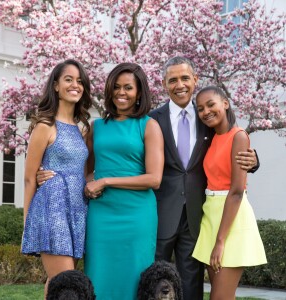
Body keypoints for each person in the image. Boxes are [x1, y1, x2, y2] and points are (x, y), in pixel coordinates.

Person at [148, 56, 259, 300]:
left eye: (185, 78)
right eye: (173, 80)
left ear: (195, 79)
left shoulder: (207, 117)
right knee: (155, 281)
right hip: (162, 212)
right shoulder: (153, 119)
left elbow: (231, 140)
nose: (180, 85)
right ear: (164, 84)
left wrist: (254, 160)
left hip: (198, 216)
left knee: (192, 283)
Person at [83, 62, 164, 299]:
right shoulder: (96, 127)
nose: (121, 92)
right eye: (116, 87)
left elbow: (154, 178)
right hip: (101, 215)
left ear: (139, 92)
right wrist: (89, 185)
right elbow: (86, 172)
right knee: (98, 275)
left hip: (137, 215)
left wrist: (106, 181)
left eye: (128, 87)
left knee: (135, 278)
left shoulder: (149, 126)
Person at [21, 59, 92, 297]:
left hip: (77, 211)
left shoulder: (82, 129)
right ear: (56, 86)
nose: (75, 85)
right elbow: (30, 178)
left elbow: (82, 172)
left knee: (58, 285)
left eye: (80, 81)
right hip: (51, 210)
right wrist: (27, 222)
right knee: (67, 283)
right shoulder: (45, 125)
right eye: (69, 79)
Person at [192, 85, 267, 299]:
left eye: (210, 104)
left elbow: (236, 191)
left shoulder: (239, 136)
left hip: (231, 221)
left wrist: (220, 240)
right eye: (200, 109)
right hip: (211, 216)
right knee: (222, 295)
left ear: (225, 103)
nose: (206, 111)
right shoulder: (211, 137)